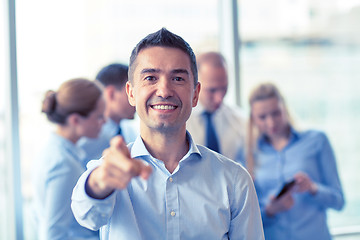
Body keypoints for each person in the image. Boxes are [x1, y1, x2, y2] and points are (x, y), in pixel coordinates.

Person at [71, 28, 264, 240]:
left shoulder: (235, 181)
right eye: (151, 78)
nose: (164, 91)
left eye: (178, 79)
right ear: (131, 93)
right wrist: (99, 183)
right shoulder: (109, 171)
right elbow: (86, 213)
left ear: (195, 94)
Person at [246, 82, 345, 240]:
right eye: (262, 117)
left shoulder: (317, 141)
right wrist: (270, 210)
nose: (271, 122)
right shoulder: (247, 154)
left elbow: (339, 201)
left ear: (285, 108)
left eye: (276, 113)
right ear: (253, 118)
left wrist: (313, 188)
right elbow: (245, 217)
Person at [32, 78, 105, 239]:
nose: (104, 122)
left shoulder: (51, 150)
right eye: (99, 116)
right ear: (75, 120)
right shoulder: (64, 164)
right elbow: (54, 234)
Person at [186, 51, 246, 165]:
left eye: (224, 88)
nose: (219, 98)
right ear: (194, 84)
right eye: (212, 90)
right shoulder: (178, 121)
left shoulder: (239, 120)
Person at [77, 63, 137, 166]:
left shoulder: (130, 132)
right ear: (111, 94)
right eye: (130, 91)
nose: (136, 98)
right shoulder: (86, 138)